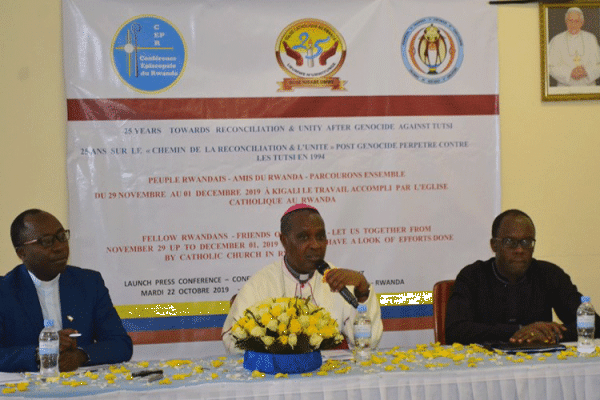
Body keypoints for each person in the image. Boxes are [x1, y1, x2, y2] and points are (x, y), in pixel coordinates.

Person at [222, 204, 383, 353]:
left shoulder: (339, 281)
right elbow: (232, 340)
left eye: (320, 237)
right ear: (284, 241)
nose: (315, 245)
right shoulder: (261, 283)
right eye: (304, 237)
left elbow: (369, 343)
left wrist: (362, 290)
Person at [0, 209, 133, 372]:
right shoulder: (4, 291)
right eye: (47, 241)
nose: (60, 247)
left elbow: (121, 344)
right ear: (22, 252)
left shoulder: (89, 283)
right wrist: (40, 354)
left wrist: (80, 355)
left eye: (62, 237)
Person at [445, 209, 600, 345]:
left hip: (538, 367)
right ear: (494, 245)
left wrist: (548, 335)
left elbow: (594, 324)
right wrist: (518, 331)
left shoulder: (549, 274)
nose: (519, 249)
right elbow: (455, 330)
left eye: (527, 242)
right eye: (510, 242)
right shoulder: (472, 276)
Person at [548, 7, 600, 86]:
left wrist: (586, 72)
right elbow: (550, 67)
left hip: (588, 88)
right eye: (570, 21)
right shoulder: (556, 40)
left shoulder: (591, 38)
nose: (573, 25)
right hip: (564, 88)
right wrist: (569, 73)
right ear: (566, 22)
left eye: (577, 21)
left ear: (582, 22)